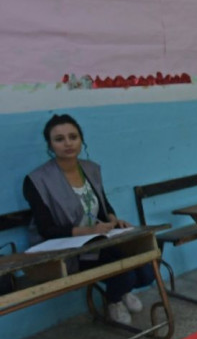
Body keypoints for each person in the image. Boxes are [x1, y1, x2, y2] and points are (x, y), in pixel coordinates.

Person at [24, 114, 153, 325]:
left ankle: (122, 290)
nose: (67, 143)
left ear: (81, 140)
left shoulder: (90, 168)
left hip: (98, 239)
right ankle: (114, 299)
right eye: (59, 139)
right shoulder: (37, 180)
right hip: (67, 250)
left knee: (146, 267)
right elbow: (47, 230)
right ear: (49, 144)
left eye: (73, 137)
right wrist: (90, 231)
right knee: (125, 271)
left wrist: (114, 219)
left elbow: (102, 203)